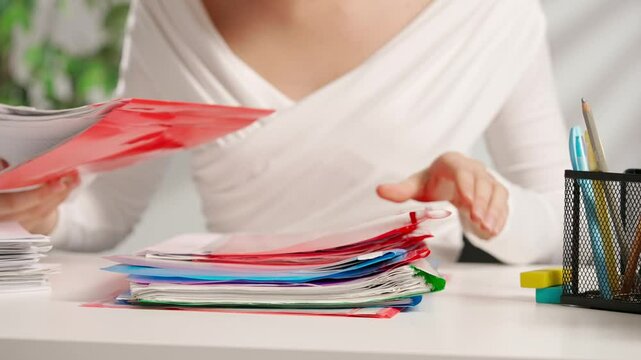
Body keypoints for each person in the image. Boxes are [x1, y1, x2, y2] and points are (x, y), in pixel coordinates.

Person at [0, 0, 567, 263]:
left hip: (415, 330)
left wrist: (484, 201)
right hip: (230, 324)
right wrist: (45, 212)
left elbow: (562, 224)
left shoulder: (493, 14)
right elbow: (108, 212)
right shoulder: (171, 14)